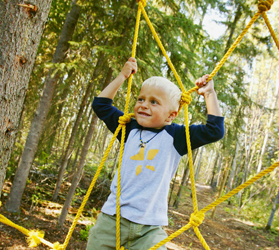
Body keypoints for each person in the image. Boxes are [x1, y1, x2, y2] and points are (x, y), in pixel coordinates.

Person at [86, 57, 224, 250]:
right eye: (141, 99)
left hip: (148, 229)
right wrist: (122, 76)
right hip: (112, 220)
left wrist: (209, 93)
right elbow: (101, 105)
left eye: (154, 102)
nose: (143, 105)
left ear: (171, 115)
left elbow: (214, 130)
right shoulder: (129, 128)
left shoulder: (176, 136)